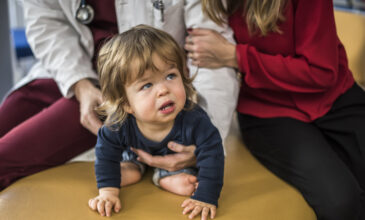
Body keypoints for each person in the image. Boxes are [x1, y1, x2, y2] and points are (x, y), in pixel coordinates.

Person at [0, 0, 239, 190]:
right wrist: (80, 84)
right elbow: (46, 23)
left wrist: (203, 143)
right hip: (68, 71)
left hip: (133, 90)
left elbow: (210, 54)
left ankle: (143, 167)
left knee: (4, 158)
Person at [184, 0, 365, 219]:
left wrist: (238, 57)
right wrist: (202, 140)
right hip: (267, 112)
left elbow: (321, 72)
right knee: (341, 202)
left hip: (335, 97)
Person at [87, 25, 224, 219]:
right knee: (118, 167)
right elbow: (106, 153)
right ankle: (134, 167)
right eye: (147, 85)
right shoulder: (118, 123)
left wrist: (206, 196)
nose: (163, 90)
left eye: (170, 76)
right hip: (136, 153)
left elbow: (213, 154)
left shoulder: (195, 120)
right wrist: (108, 191)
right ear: (126, 104)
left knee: (188, 182)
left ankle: (164, 176)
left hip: (176, 159)